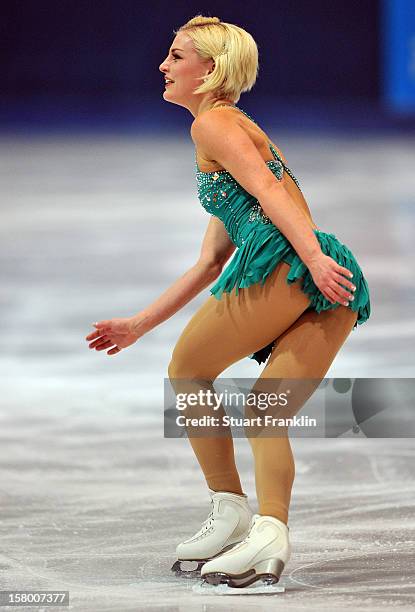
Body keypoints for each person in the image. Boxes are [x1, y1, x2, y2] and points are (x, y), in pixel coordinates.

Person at [85, 15, 371, 589]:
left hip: (292, 261)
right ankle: (269, 532)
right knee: (269, 412)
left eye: (175, 56)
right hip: (329, 276)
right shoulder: (228, 129)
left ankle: (230, 508)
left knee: (188, 370)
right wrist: (139, 324)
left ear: (209, 70)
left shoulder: (213, 122)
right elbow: (212, 260)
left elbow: (268, 193)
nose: (163, 66)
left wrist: (310, 258)